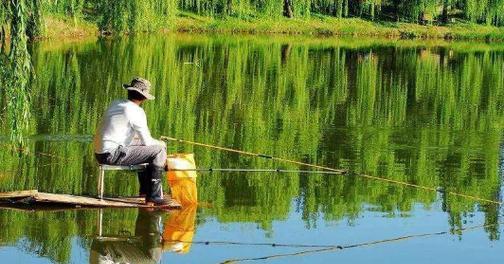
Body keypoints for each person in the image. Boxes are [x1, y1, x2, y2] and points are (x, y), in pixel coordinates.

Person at [94, 77, 168, 206]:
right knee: (159, 150)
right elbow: (148, 142)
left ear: (129, 92)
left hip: (100, 153)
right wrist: (162, 144)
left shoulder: (116, 103)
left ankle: (145, 192)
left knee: (148, 149)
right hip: (112, 154)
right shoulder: (137, 112)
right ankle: (154, 197)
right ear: (144, 98)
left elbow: (129, 137)